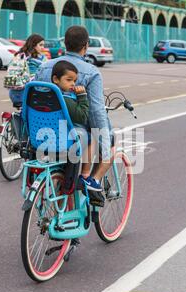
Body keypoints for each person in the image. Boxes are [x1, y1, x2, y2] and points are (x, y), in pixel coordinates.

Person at [35, 26, 113, 204]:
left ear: (65, 43)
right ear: (85, 46)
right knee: (101, 137)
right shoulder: (91, 72)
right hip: (72, 134)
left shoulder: (44, 67)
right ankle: (88, 179)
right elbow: (96, 112)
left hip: (41, 130)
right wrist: (105, 143)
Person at [51, 60, 102, 192]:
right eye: (69, 80)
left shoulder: (48, 95)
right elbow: (81, 116)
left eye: (74, 80)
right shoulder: (65, 100)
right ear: (56, 79)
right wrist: (82, 97)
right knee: (93, 137)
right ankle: (85, 175)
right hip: (65, 138)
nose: (73, 84)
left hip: (47, 137)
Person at [9, 34, 48, 108]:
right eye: (41, 45)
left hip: (14, 94)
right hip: (29, 95)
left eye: (43, 45)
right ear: (33, 45)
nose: (43, 48)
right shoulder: (37, 59)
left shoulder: (20, 55)